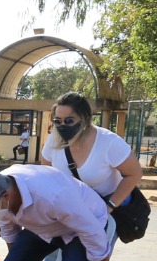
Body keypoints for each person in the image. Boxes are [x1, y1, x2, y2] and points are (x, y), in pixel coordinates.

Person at [40, 91, 143, 237]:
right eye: (58, 121)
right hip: (70, 209)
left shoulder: (108, 142)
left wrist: (108, 207)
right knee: (47, 249)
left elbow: (134, 174)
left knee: (94, 250)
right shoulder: (54, 140)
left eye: (68, 121)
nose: (62, 125)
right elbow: (46, 174)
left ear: (84, 118)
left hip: (105, 207)